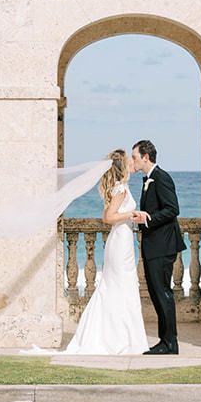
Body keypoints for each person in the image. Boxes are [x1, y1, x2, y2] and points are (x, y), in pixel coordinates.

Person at [59, 149, 148, 355]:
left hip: (122, 239)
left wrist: (130, 217)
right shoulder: (121, 189)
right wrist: (132, 214)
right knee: (119, 287)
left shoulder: (120, 187)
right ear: (122, 166)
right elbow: (108, 217)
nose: (132, 163)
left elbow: (109, 213)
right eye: (129, 160)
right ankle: (117, 339)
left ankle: (119, 337)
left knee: (120, 287)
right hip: (120, 242)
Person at [130, 138, 184, 355]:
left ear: (145, 157)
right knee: (156, 293)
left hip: (163, 246)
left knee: (163, 293)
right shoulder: (148, 179)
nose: (133, 161)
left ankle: (170, 343)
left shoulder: (161, 178)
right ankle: (165, 341)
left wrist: (148, 218)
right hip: (154, 246)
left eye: (134, 157)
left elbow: (173, 209)